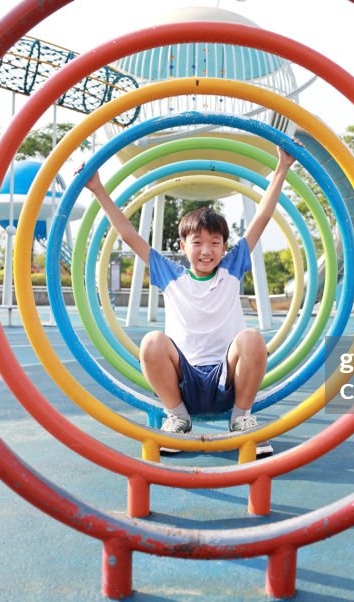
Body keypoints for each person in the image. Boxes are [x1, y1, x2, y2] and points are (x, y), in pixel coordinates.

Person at [81, 146, 296, 457]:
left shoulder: (232, 269)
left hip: (229, 380)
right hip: (184, 382)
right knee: (153, 342)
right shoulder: (171, 275)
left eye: (214, 243)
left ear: (225, 248)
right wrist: (98, 189)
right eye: (197, 242)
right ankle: (177, 417)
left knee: (251, 338)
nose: (206, 250)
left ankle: (241, 418)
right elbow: (128, 233)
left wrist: (282, 168)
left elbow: (261, 217)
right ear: (183, 246)